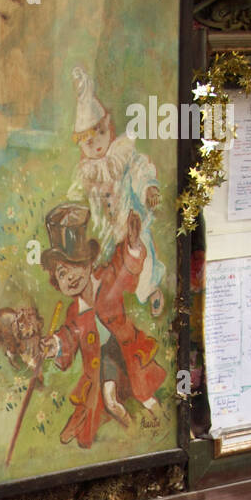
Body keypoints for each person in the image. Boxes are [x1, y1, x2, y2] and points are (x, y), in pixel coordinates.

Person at [40, 203, 167, 449]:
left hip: (127, 349)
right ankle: (133, 431)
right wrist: (54, 345)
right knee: (110, 401)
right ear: (56, 281)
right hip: (105, 359)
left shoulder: (107, 278)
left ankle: (161, 419)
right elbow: (68, 336)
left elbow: (125, 267)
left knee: (145, 394)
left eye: (76, 265)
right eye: (62, 273)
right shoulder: (74, 312)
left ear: (89, 262)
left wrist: (133, 245)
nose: (71, 277)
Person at [68, 66, 165, 317]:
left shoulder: (121, 155)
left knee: (143, 254)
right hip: (105, 229)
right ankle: (106, 305)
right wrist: (75, 209)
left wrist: (149, 187)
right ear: (81, 144)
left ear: (109, 128)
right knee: (105, 265)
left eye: (101, 133)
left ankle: (150, 291)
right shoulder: (87, 171)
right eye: (89, 141)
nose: (97, 144)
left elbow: (140, 168)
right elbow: (75, 197)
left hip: (130, 218)